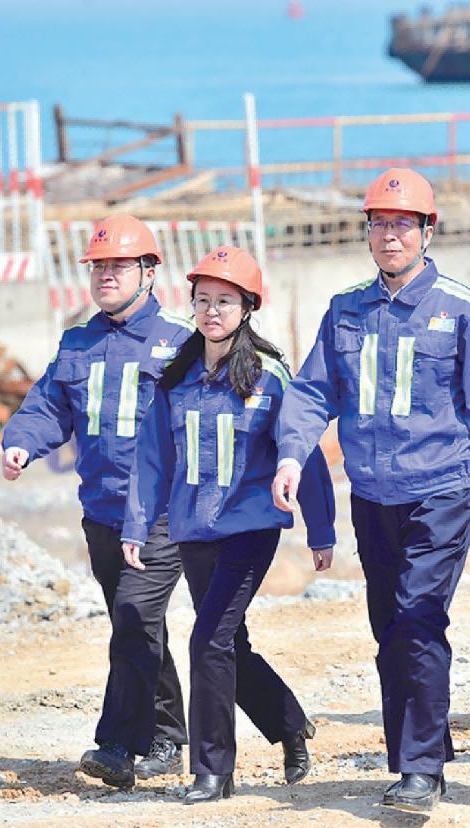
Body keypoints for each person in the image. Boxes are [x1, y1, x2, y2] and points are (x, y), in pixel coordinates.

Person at [272, 168, 470, 813]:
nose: (390, 236)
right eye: (379, 224)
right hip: (373, 495)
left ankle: (420, 769)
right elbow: (312, 392)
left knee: (417, 617)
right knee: (389, 628)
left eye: (403, 225)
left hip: (442, 488)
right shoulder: (346, 309)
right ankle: (420, 749)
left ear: (427, 232)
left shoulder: (462, 309)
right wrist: (292, 455)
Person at [121, 245, 335, 802]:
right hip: (193, 529)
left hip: (250, 527)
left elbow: (303, 451)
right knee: (227, 643)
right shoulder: (175, 377)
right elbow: (152, 458)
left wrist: (321, 528)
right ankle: (290, 723)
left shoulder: (269, 374)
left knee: (207, 640)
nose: (211, 310)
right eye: (203, 300)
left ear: (247, 308)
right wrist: (136, 525)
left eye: (224, 301)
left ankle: (213, 770)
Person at [0, 214, 191, 787]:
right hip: (102, 513)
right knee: (137, 627)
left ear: (149, 271)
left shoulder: (182, 341)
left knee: (134, 617)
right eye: (98, 266)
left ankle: (117, 746)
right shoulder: (78, 342)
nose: (106, 275)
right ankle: (167, 736)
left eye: (119, 265)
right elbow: (49, 405)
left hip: (160, 515)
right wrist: (21, 443)